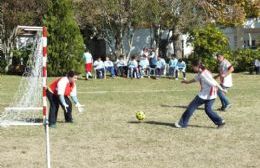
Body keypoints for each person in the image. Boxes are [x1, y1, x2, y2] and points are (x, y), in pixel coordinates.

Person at [175, 60, 226, 128]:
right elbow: (196, 79)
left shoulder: (203, 74)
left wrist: (221, 89)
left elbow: (213, 83)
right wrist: (187, 82)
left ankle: (182, 123)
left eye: (192, 66)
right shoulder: (202, 72)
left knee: (191, 107)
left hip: (205, 95)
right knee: (208, 110)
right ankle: (220, 122)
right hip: (212, 95)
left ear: (197, 66)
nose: (192, 68)